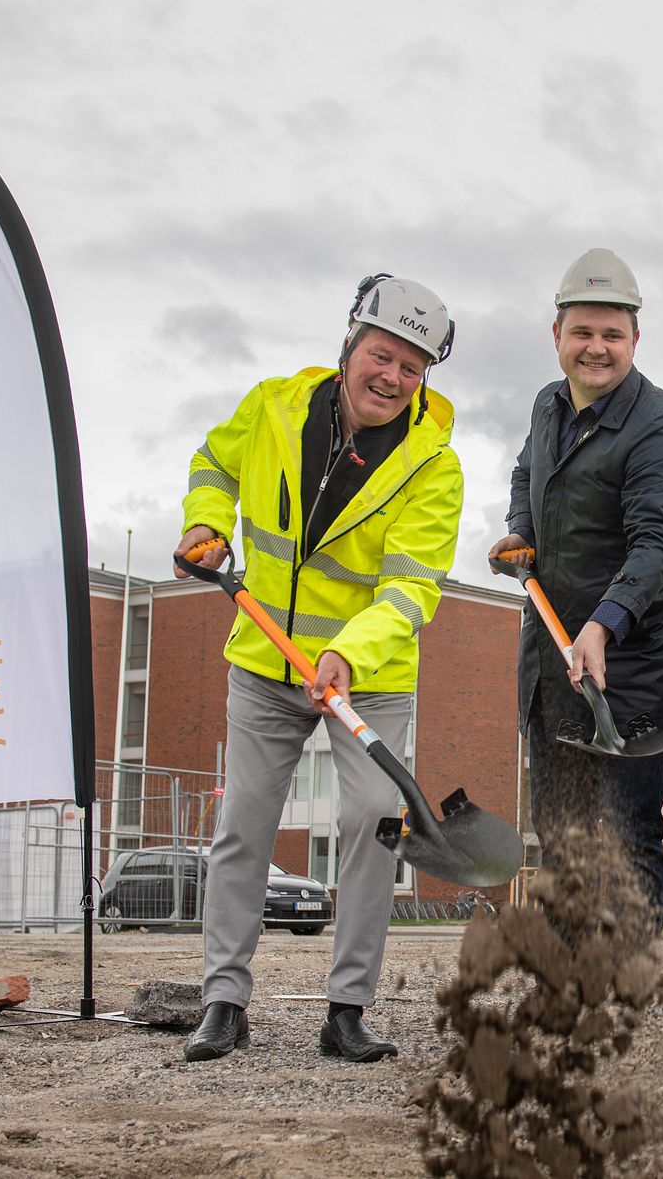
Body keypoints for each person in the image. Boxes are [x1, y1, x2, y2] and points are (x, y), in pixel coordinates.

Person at [174, 274, 464, 1061]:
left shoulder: (434, 467)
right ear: (350, 343)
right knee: (243, 828)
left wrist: (348, 652)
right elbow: (213, 461)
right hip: (266, 661)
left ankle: (347, 1010)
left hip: (366, 675)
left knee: (374, 823)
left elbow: (410, 590)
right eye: (381, 355)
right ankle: (224, 1002)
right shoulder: (272, 406)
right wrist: (204, 521)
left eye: (411, 368)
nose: (391, 377)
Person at [488, 248, 663, 933]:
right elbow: (527, 473)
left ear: (636, 340)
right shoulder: (547, 407)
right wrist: (519, 532)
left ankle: (631, 997)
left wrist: (605, 624)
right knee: (560, 835)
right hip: (555, 656)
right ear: (557, 336)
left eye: (612, 334)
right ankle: (573, 990)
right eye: (582, 332)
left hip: (635, 665)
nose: (597, 348)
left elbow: (657, 545)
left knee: (624, 833)